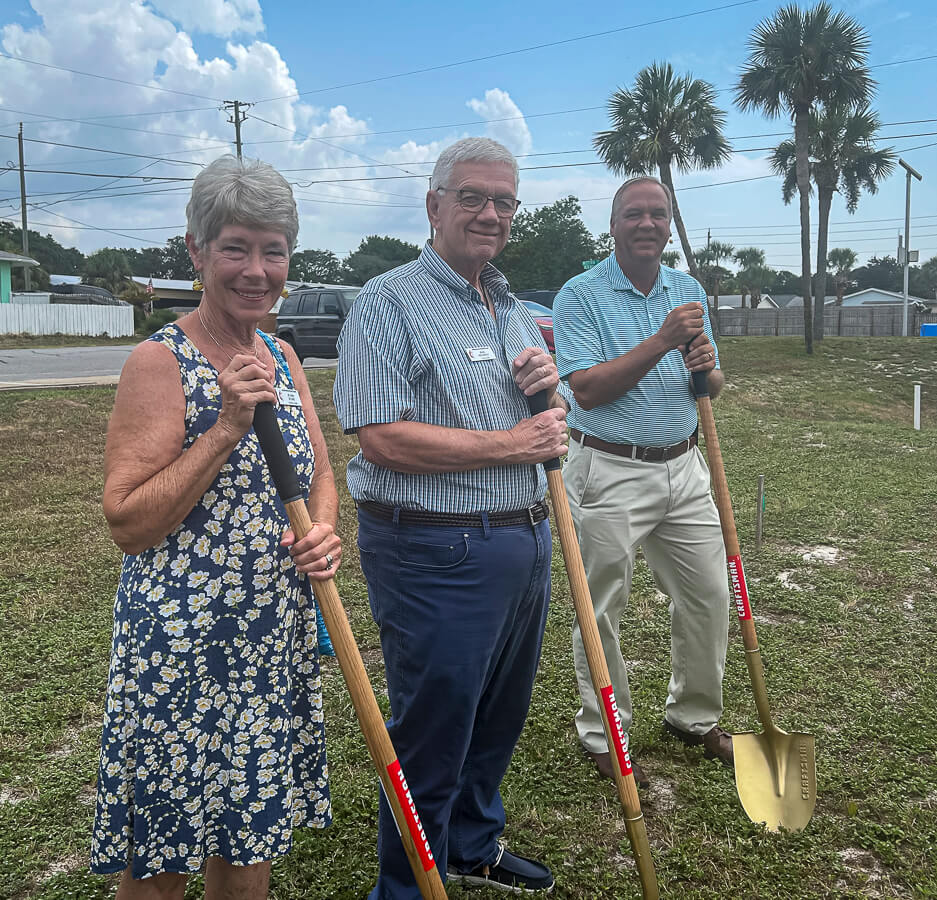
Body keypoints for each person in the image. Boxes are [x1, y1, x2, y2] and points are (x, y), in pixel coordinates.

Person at [91, 155, 339, 900]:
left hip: (269, 637)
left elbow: (319, 473)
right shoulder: (157, 362)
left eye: (274, 250)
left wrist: (322, 532)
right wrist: (226, 425)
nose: (257, 270)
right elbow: (128, 521)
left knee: (248, 839)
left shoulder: (284, 354)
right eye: (236, 247)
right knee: (163, 859)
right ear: (196, 252)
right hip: (181, 649)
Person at [333, 137, 566, 898]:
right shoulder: (387, 302)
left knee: (497, 718)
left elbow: (548, 425)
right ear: (434, 206)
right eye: (471, 197)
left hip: (524, 541)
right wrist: (514, 441)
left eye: (504, 201)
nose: (489, 213)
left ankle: (469, 845)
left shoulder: (513, 307)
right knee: (433, 731)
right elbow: (382, 436)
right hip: (436, 551)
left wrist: (546, 393)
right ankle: (404, 887)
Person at [553, 176, 733, 789]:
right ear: (614, 224)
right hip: (609, 468)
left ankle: (693, 715)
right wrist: (663, 340)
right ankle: (604, 731)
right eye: (635, 214)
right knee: (600, 605)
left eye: (659, 214)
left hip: (685, 468)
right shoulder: (580, 295)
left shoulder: (688, 291)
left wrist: (706, 370)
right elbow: (585, 387)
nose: (648, 224)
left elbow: (708, 387)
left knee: (710, 594)